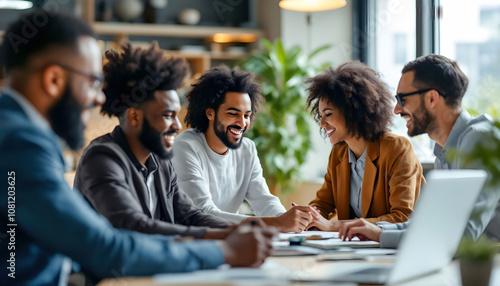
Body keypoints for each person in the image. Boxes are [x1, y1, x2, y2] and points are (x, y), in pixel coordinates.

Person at [0, 10, 274, 285]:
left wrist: (247, 230)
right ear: (54, 80)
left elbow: (189, 215)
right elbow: (112, 244)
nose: (99, 97)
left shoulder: (20, 134)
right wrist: (224, 250)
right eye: (94, 82)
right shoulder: (20, 144)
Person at [74, 42, 234, 239]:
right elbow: (133, 225)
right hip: (111, 269)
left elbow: (191, 216)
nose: (177, 125)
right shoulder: (101, 158)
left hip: (153, 265)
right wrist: (222, 236)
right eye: (168, 115)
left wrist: (237, 229)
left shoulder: (161, 162)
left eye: (176, 115)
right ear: (134, 117)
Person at [339, 54, 499, 248]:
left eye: (402, 99)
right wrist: (376, 229)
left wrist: (381, 236)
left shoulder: (481, 139)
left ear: (432, 98)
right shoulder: (445, 150)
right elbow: (431, 224)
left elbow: (462, 237)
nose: (397, 109)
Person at [171, 65, 318, 233]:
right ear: (210, 113)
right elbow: (203, 213)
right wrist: (277, 223)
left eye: (247, 115)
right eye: (233, 114)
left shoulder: (247, 149)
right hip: (190, 241)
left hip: (229, 239)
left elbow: (263, 200)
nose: (242, 123)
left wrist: (288, 219)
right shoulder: (185, 147)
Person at [303, 62, 424, 231]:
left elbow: (402, 217)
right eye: (321, 115)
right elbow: (324, 203)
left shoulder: (396, 148)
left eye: (328, 114)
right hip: (356, 249)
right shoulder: (339, 153)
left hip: (395, 248)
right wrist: (309, 216)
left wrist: (333, 225)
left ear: (353, 111)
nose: (322, 123)